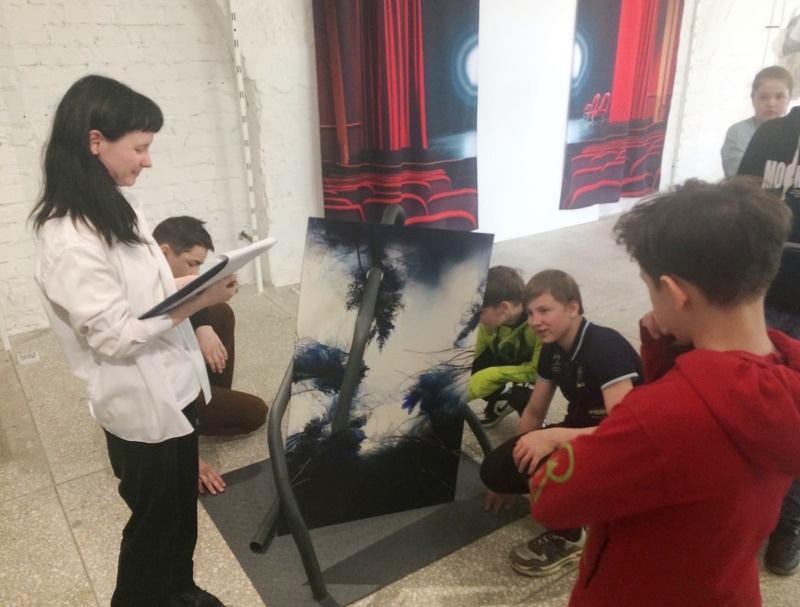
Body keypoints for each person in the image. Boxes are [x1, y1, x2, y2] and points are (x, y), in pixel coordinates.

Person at [528, 178, 800, 606]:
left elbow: (552, 501)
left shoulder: (660, 416)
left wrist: (557, 444)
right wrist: (668, 361)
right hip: (727, 586)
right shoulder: (785, 380)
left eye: (649, 285)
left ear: (674, 291)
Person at [31, 75, 235, 607]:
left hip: (173, 383)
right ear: (96, 141)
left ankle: (180, 590)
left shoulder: (118, 207)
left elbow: (152, 289)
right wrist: (195, 302)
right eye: (140, 148)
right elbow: (116, 336)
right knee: (153, 525)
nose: (148, 161)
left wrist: (197, 289)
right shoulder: (68, 238)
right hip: (138, 402)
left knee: (180, 514)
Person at [479, 269, 642, 576]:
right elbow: (534, 412)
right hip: (580, 432)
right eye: (530, 313)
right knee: (494, 470)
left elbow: (625, 432)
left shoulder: (605, 346)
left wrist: (551, 439)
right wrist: (516, 466)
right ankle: (573, 500)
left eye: (544, 310)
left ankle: (572, 534)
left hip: (624, 452)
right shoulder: (553, 349)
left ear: (572, 308)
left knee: (548, 455)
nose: (535, 321)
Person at [152, 216, 268, 495]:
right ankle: (196, 418)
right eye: (191, 264)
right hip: (158, 405)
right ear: (164, 252)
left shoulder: (160, 275)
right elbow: (156, 391)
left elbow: (188, 299)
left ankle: (210, 398)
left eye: (200, 265)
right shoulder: (143, 293)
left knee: (219, 313)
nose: (196, 273)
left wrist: (203, 327)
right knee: (255, 412)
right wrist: (188, 455)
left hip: (180, 381)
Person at [739, 104, 800, 576]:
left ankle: (791, 520)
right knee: (743, 401)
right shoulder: (772, 135)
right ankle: (737, 503)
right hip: (760, 296)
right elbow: (736, 208)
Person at [468, 265, 542, 427]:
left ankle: (535, 427)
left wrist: (493, 375)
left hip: (533, 370)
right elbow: (472, 355)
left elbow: (538, 371)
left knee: (523, 397)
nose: (477, 317)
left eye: (480, 311)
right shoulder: (489, 322)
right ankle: (501, 400)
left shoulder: (539, 324)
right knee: (467, 373)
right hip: (506, 357)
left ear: (504, 308)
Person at [721, 65, 793, 176]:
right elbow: (741, 178)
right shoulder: (739, 133)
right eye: (763, 97)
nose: (771, 103)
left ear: (789, 99)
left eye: (779, 97)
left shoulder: (795, 134)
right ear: (753, 99)